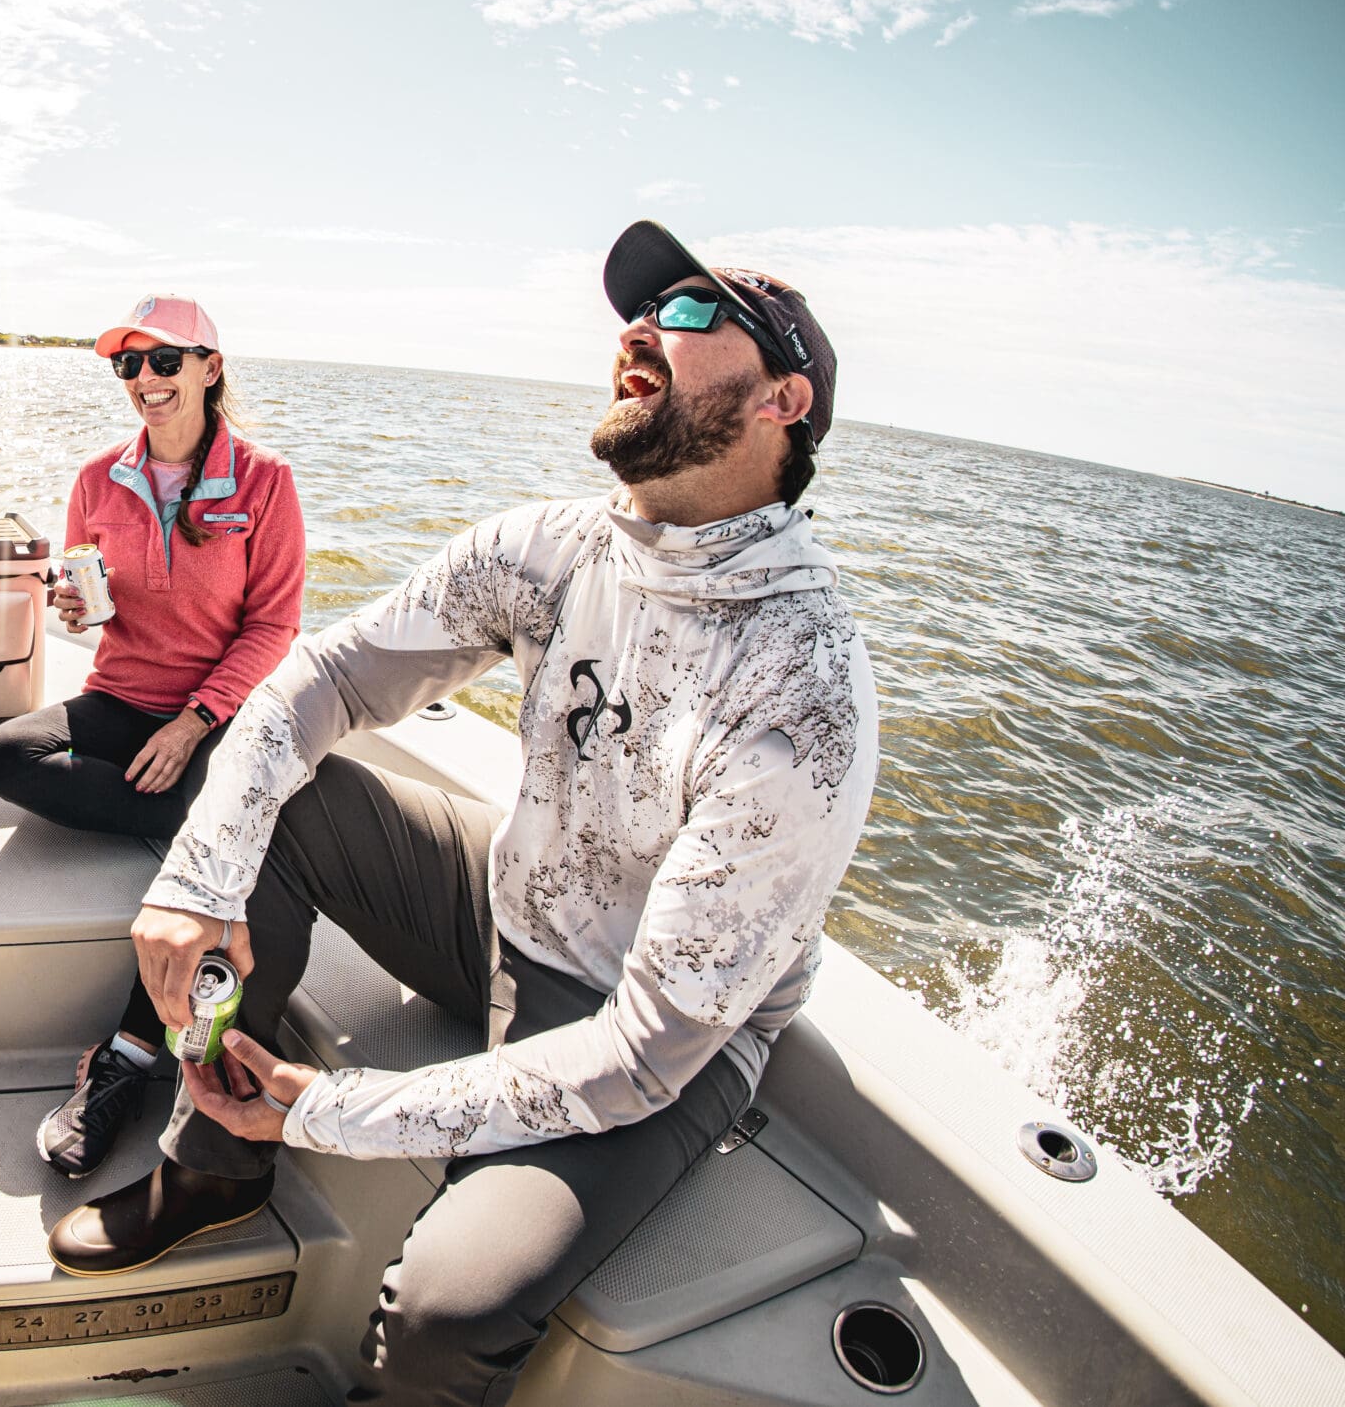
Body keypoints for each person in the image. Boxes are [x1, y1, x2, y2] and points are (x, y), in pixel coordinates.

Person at [46, 223, 879, 1407]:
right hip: (506, 901)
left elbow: (644, 1046)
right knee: (286, 799)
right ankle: (213, 1166)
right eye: (640, 314)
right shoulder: (554, 546)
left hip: (656, 1034)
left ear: (781, 400)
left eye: (692, 318)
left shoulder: (805, 685)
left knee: (444, 1311)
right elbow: (325, 677)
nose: (639, 332)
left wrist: (332, 1109)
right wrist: (199, 874)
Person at [0, 294, 305, 1177]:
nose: (146, 381)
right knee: (5, 757)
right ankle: (189, 832)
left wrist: (196, 725)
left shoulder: (265, 480)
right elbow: (92, 615)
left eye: (165, 361)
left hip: (218, 715)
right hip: (120, 697)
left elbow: (273, 628)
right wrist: (72, 607)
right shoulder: (96, 478)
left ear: (211, 367)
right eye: (129, 365)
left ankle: (124, 1056)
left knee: (230, 868)